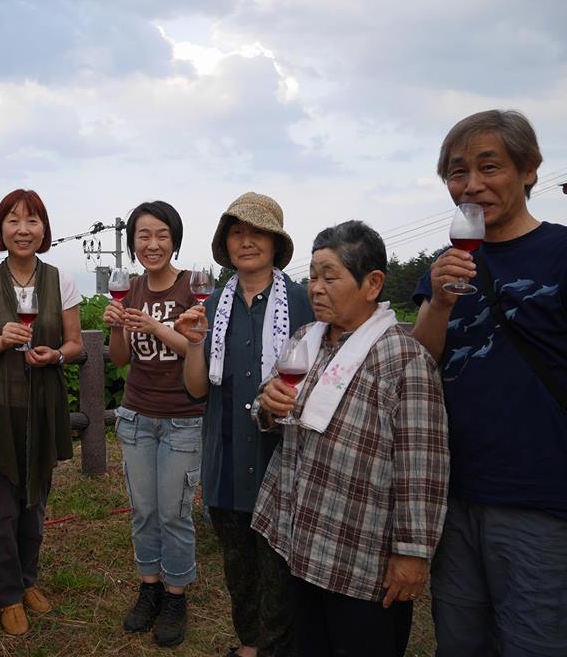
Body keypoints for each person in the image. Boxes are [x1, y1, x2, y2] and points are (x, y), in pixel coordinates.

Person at [252, 221, 449, 657]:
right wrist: (267, 403)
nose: (316, 288)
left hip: (361, 553)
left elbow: (423, 466)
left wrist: (412, 553)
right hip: (301, 539)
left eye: (330, 276)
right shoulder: (306, 339)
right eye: (312, 276)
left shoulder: (403, 358)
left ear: (372, 284)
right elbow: (267, 403)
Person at [412, 110, 567, 657]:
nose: (472, 185)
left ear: (529, 170)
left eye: (489, 167)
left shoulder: (560, 253)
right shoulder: (446, 265)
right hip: (454, 491)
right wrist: (438, 301)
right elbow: (420, 362)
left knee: (532, 642)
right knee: (459, 639)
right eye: (458, 172)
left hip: (540, 498)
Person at [174, 193, 313, 657]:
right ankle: (251, 645)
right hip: (227, 461)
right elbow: (197, 389)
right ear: (225, 243)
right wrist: (195, 343)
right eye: (237, 232)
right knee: (239, 571)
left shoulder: (303, 301)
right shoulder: (211, 304)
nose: (246, 241)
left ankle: (275, 647)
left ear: (276, 243)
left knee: (281, 576)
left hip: (284, 463)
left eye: (258, 232)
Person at [0, 189, 83, 636]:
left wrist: (56, 356)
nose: (23, 229)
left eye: (32, 221)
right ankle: (7, 595)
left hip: (42, 408)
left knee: (35, 504)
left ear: (44, 230)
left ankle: (28, 580)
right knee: (2, 509)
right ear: (1, 230)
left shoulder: (61, 281)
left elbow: (75, 344)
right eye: (13, 220)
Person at [102, 201, 204, 648]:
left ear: (174, 240)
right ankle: (150, 588)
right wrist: (117, 328)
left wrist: (157, 327)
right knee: (143, 510)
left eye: (162, 235)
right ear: (133, 243)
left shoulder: (192, 288)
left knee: (174, 512)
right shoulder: (131, 289)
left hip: (184, 419)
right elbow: (120, 360)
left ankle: (176, 594)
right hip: (137, 415)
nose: (153, 244)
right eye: (143, 236)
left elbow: (199, 350)